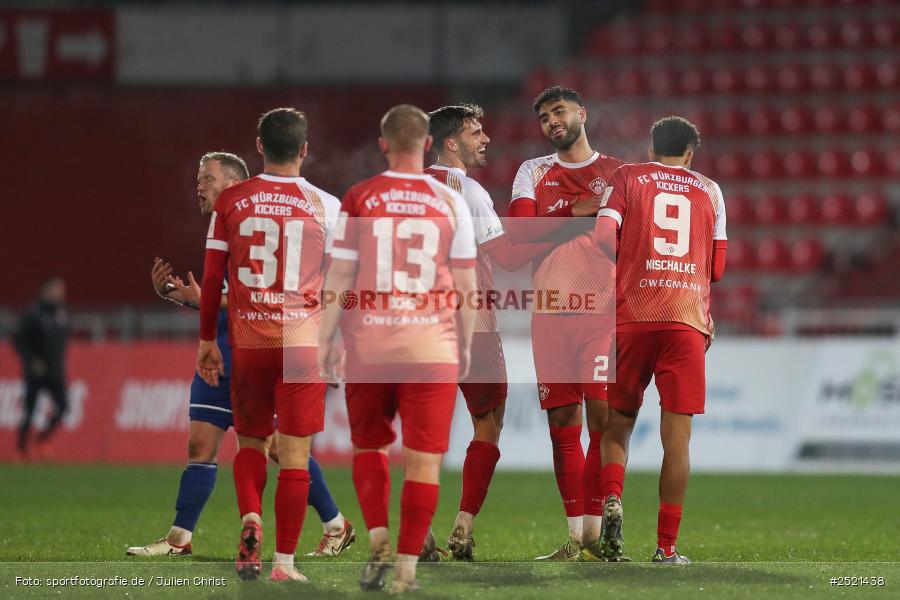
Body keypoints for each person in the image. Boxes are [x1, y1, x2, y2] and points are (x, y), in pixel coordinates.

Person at [127, 152, 353, 559]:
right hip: (223, 351)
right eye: (198, 178)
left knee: (279, 451)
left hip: (261, 351)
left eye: (207, 179)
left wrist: (206, 300)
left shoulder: (260, 221)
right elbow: (224, 297)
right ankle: (179, 538)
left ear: (233, 182)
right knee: (200, 445)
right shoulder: (225, 223)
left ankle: (336, 524)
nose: (199, 186)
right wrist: (182, 297)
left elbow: (265, 299)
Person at [318, 104, 477, 592]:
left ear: (383, 144)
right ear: (428, 145)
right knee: (424, 460)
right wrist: (465, 347)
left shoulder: (360, 196)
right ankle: (407, 569)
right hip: (432, 347)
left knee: (370, 447)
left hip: (370, 344)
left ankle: (379, 541)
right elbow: (467, 284)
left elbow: (340, 277)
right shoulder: (452, 201)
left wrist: (323, 339)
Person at [196, 108, 342, 582]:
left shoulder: (232, 200)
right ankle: (284, 564)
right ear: (304, 149)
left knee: (253, 442)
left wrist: (205, 341)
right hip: (303, 344)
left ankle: (250, 519)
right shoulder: (328, 205)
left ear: (258, 145)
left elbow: (214, 276)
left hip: (250, 341)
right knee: (295, 457)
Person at [593, 116, 727, 563]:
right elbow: (719, 269)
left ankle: (613, 496)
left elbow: (600, 236)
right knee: (678, 441)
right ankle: (666, 547)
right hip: (686, 322)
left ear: (651, 150)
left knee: (618, 423)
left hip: (632, 316)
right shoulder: (709, 189)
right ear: (691, 153)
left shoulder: (628, 176)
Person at [424, 104, 553, 561]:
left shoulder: (409, 190)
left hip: (417, 325)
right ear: (451, 143)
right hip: (471, 322)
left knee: (423, 431)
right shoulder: (470, 191)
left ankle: (418, 531)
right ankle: (462, 528)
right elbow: (508, 258)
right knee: (489, 420)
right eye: (477, 132)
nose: (486, 139)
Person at [507, 86, 623, 561]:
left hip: (602, 314)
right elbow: (517, 242)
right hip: (550, 314)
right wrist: (575, 214)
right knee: (561, 422)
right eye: (543, 117)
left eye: (559, 111)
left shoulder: (619, 173)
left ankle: (598, 535)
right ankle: (576, 539)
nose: (552, 120)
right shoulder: (531, 172)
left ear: (582, 113)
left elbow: (630, 244)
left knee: (601, 420)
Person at [13, 276, 69, 460]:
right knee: (29, 411)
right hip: (35, 373)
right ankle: (21, 449)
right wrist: (31, 361)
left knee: (63, 407)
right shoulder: (33, 314)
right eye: (56, 289)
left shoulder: (62, 314)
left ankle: (43, 437)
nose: (60, 293)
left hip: (55, 372)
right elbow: (19, 341)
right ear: (45, 290)